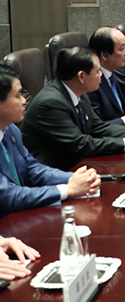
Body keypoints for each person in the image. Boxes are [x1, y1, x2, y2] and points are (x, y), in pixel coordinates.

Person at [21, 47, 125, 171]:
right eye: (97, 71)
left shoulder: (79, 92)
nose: (101, 74)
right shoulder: (50, 103)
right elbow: (81, 144)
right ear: (81, 76)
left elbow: (98, 128)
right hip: (58, 172)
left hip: (81, 164)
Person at [0, 65, 100, 217]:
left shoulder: (11, 130)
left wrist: (75, 179)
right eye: (18, 95)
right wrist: (68, 189)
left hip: (21, 216)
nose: (24, 100)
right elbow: (7, 195)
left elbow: (32, 169)